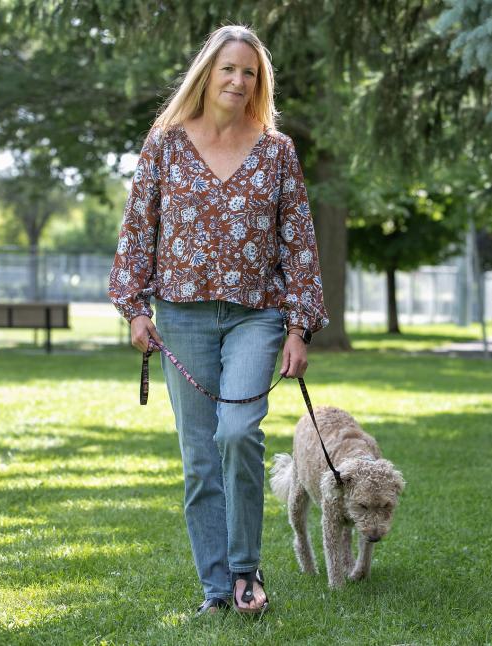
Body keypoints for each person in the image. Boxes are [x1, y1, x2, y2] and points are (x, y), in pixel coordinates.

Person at [109, 24, 328, 616]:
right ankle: (217, 592)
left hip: (257, 315)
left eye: (249, 72)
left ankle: (245, 571)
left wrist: (299, 327)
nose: (238, 80)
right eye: (228, 68)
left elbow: (299, 244)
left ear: (260, 83)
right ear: (207, 74)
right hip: (181, 316)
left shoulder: (277, 151)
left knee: (237, 434)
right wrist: (134, 310)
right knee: (200, 459)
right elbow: (137, 230)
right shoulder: (165, 143)